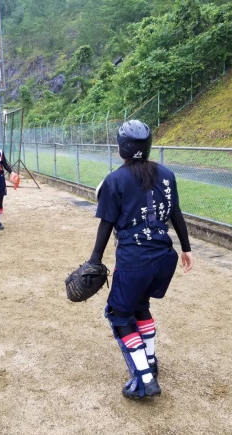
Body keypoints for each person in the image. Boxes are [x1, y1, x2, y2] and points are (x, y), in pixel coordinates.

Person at [89, 120, 194, 399]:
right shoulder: (167, 174)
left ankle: (145, 379)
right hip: (164, 258)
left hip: (134, 261)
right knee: (140, 305)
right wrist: (186, 248)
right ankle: (150, 361)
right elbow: (176, 214)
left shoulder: (115, 179)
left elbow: (106, 225)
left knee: (118, 314)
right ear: (147, 146)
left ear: (122, 147)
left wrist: (94, 260)